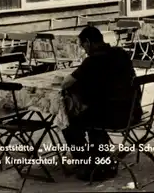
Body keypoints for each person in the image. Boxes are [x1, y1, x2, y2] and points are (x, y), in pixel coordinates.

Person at [61, 26, 143, 181]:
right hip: (132, 110)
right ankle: (97, 157)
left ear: (88, 42)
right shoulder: (120, 53)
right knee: (92, 111)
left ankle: (85, 162)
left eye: (83, 46)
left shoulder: (92, 61)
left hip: (113, 117)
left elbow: (66, 83)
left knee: (69, 121)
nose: (84, 50)